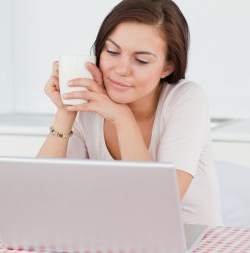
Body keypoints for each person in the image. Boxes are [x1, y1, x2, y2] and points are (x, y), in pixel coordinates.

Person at [37, 0, 222, 226]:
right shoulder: (91, 101)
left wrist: (122, 118)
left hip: (189, 240)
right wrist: (65, 113)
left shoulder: (186, 98)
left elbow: (156, 206)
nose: (121, 70)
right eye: (113, 51)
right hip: (117, 236)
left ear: (168, 66)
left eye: (141, 60)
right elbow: (42, 196)